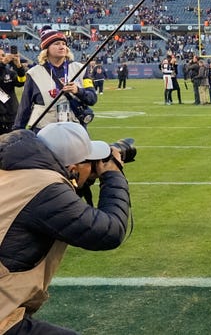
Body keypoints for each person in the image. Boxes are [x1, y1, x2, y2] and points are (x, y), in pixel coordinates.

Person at [0, 122, 130, 334]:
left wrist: (80, 180)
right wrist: (112, 175)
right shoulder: (44, 188)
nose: (95, 166)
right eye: (89, 162)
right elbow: (109, 231)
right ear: (73, 169)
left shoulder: (15, 169)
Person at [13, 27, 97, 132]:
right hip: (43, 130)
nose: (62, 47)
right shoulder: (33, 73)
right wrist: (17, 131)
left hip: (74, 129)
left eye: (64, 43)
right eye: (56, 44)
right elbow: (25, 107)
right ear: (46, 49)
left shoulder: (80, 69)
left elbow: (92, 98)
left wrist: (78, 91)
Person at [0, 48, 27, 135]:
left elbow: (21, 82)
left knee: (11, 144)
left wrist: (19, 66)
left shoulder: (9, 72)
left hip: (11, 115)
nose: (2, 57)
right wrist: (3, 63)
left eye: (3, 55)